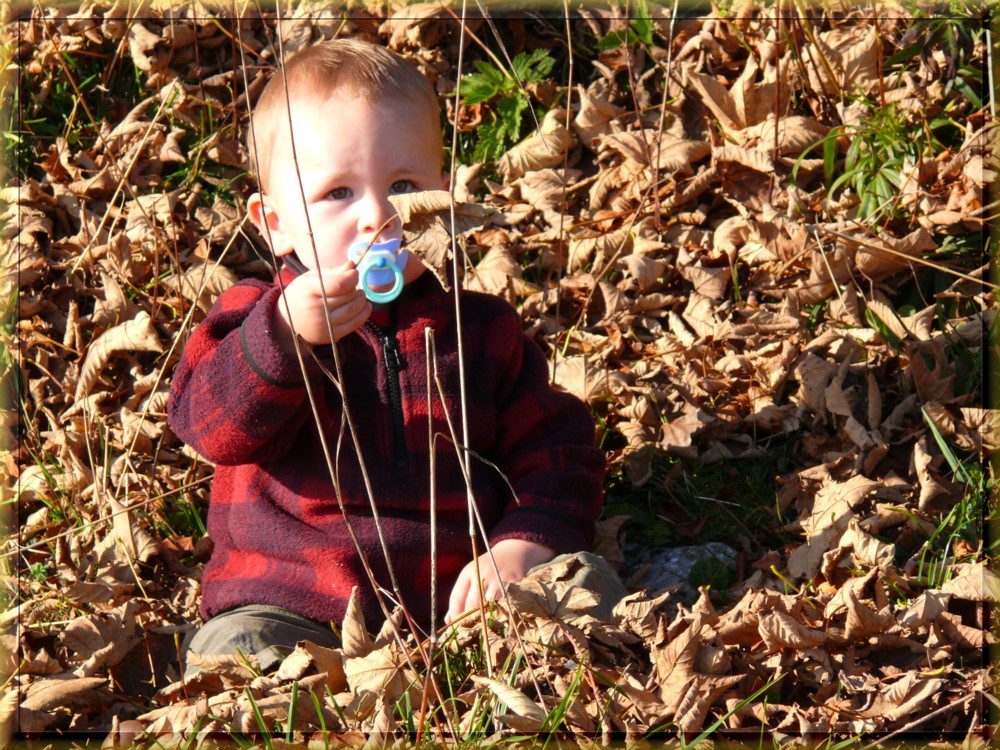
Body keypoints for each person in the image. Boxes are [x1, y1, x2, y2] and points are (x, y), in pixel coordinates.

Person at [167, 38, 612, 673]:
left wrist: (525, 541)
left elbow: (556, 450)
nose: (378, 215)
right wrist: (285, 336)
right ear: (275, 223)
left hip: (460, 604)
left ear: (438, 196)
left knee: (586, 586)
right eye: (338, 193)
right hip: (295, 598)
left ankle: (525, 666)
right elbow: (208, 425)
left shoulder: (477, 329)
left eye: (402, 185)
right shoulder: (252, 317)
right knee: (234, 654)